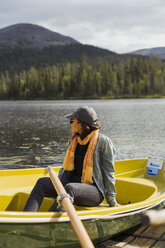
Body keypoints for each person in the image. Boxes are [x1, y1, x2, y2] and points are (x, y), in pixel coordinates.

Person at [23, 106, 117, 212]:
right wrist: (56, 185)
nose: (70, 123)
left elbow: (109, 172)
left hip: (93, 191)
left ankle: (47, 221)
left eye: (72, 121)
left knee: (69, 188)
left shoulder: (104, 142)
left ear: (82, 124)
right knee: (42, 183)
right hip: (70, 183)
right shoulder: (73, 141)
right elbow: (65, 168)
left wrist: (112, 201)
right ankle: (26, 217)